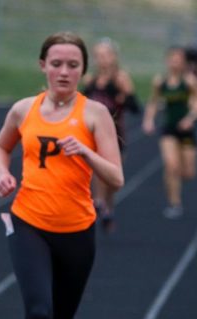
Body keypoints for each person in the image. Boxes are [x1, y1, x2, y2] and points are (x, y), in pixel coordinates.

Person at [0, 32, 124, 319]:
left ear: (83, 70)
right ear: (42, 66)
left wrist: (85, 152)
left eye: (72, 65)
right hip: (28, 221)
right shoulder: (23, 110)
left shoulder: (95, 114)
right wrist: (4, 174)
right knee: (39, 314)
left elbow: (116, 178)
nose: (64, 71)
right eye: (57, 63)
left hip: (76, 230)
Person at [142, 46, 197, 219]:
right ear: (167, 60)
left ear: (184, 62)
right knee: (171, 166)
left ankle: (175, 183)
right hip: (168, 128)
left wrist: (190, 119)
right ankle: (174, 203)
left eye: (178, 58)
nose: (175, 62)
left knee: (188, 173)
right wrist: (148, 120)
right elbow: (153, 102)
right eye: (172, 58)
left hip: (186, 130)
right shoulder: (160, 82)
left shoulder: (190, 81)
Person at [82, 37, 138, 232]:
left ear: (114, 57)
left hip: (116, 133)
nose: (101, 59)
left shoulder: (121, 79)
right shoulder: (91, 80)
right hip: (94, 132)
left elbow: (135, 107)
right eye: (98, 56)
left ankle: (108, 205)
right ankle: (99, 202)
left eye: (105, 55)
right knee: (97, 169)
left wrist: (125, 96)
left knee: (113, 178)